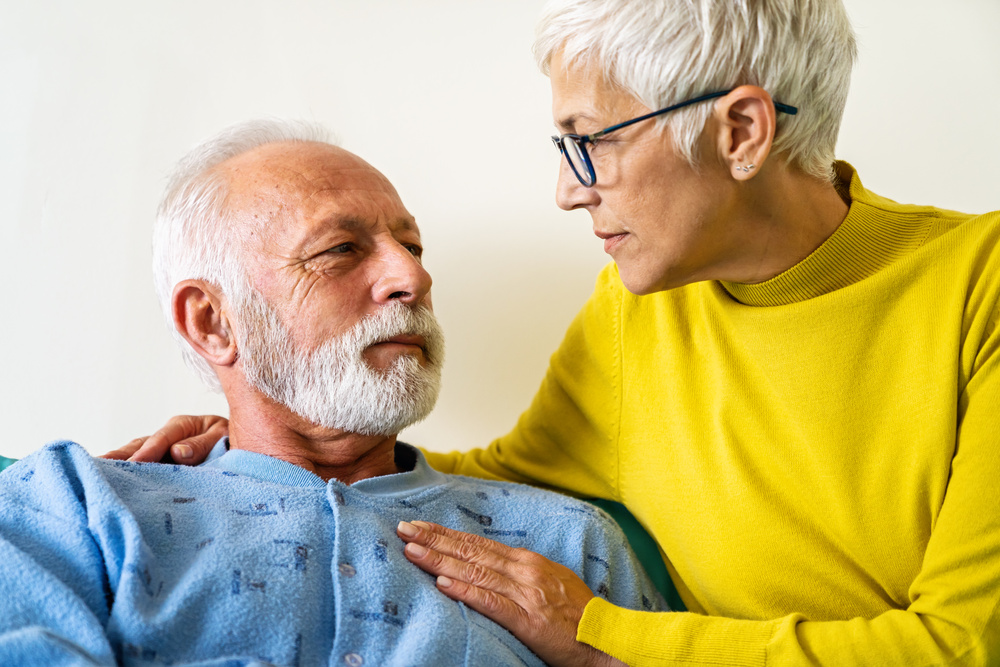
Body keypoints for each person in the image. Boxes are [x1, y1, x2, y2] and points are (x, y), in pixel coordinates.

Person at [122, 0, 1000, 664]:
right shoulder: (636, 309)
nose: (569, 191)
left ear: (740, 130)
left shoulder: (980, 282)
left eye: (591, 142)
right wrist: (255, 443)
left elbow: (968, 644)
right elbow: (493, 477)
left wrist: (599, 634)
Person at [0, 120, 665, 667]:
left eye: (412, 244)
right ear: (213, 321)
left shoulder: (569, 545)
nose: (413, 276)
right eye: (341, 249)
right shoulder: (69, 507)